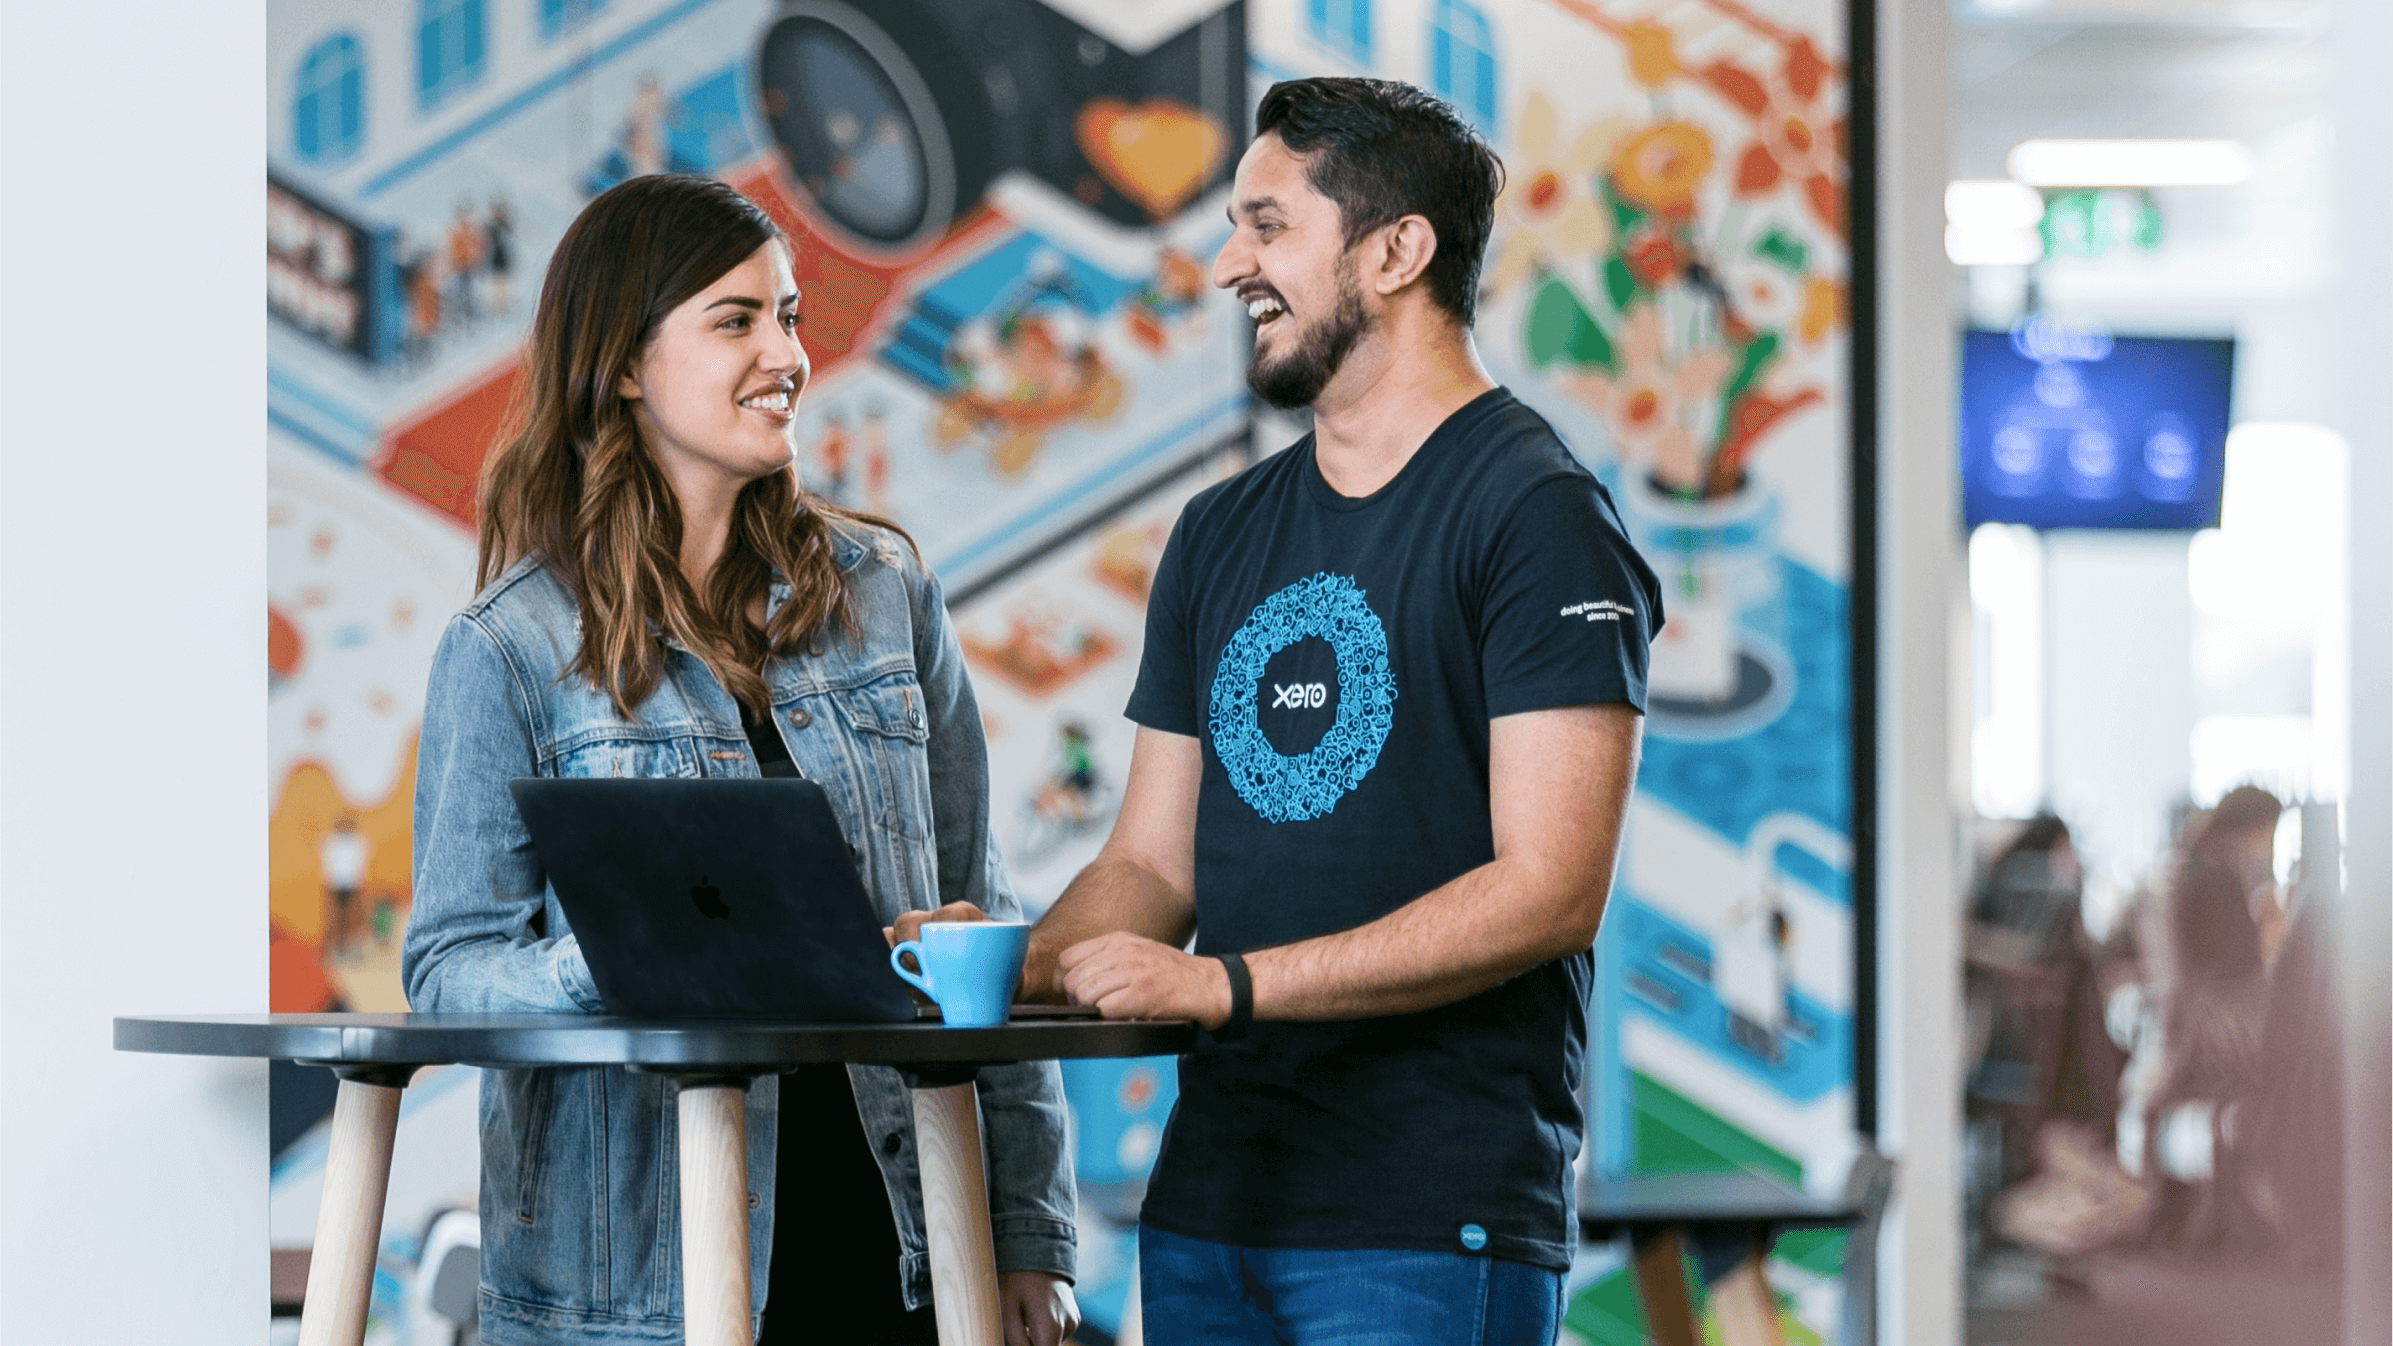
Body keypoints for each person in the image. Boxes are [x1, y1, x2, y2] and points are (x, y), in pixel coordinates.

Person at [900, 78, 1662, 1343]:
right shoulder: (1219, 532)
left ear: (1396, 251)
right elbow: (1154, 864)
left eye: (1266, 227)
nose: (1224, 268)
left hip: (1425, 1225)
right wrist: (1002, 960)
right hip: (1213, 1207)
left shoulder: (1537, 515)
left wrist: (1228, 986)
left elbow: (1547, 890)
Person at [402, 173, 1079, 1346]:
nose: (787, 355)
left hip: (901, 1251)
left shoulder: (884, 592)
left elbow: (983, 909)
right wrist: (620, 959)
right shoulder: (506, 647)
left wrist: (1025, 1228)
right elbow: (449, 971)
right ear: (623, 364)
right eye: (736, 320)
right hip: (636, 1291)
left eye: (790, 316)